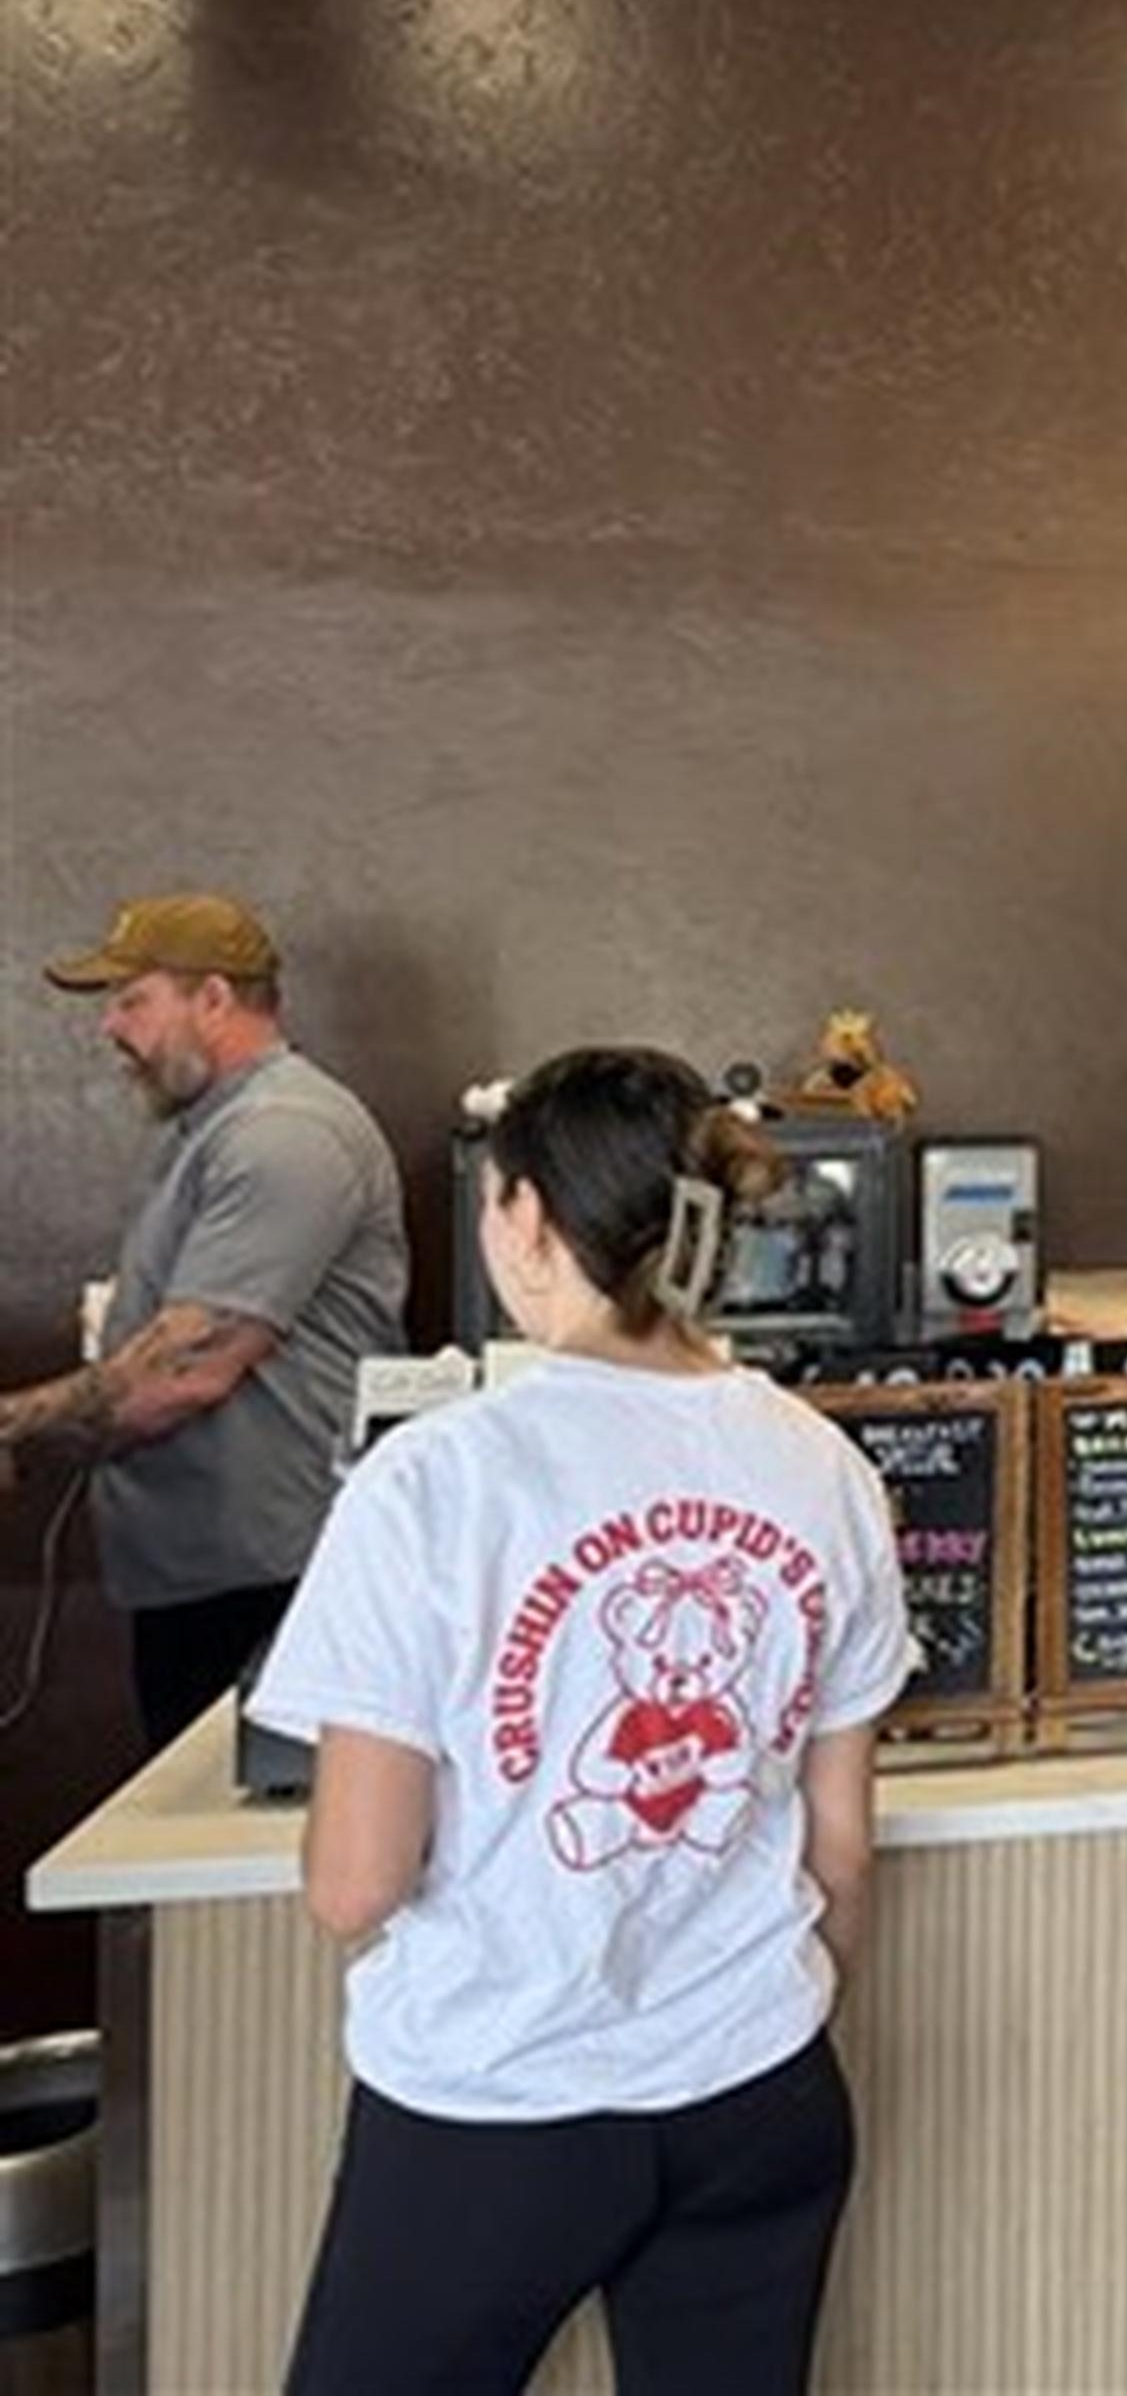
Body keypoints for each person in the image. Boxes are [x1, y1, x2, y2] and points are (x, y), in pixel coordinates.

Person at [248, 1049, 914, 2396]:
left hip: (494, 2100)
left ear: (529, 1220)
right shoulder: (824, 1464)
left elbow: (354, 1884)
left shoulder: (433, 1479)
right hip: (759, 2092)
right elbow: (840, 1852)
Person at [0, 894, 407, 1746]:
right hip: (211, 1569)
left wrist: (16, 1426)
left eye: (132, 1000)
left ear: (213, 999)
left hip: (274, 1577)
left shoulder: (285, 1135)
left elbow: (181, 1376)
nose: (111, 1027)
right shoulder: (211, 1131)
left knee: (245, 1866)